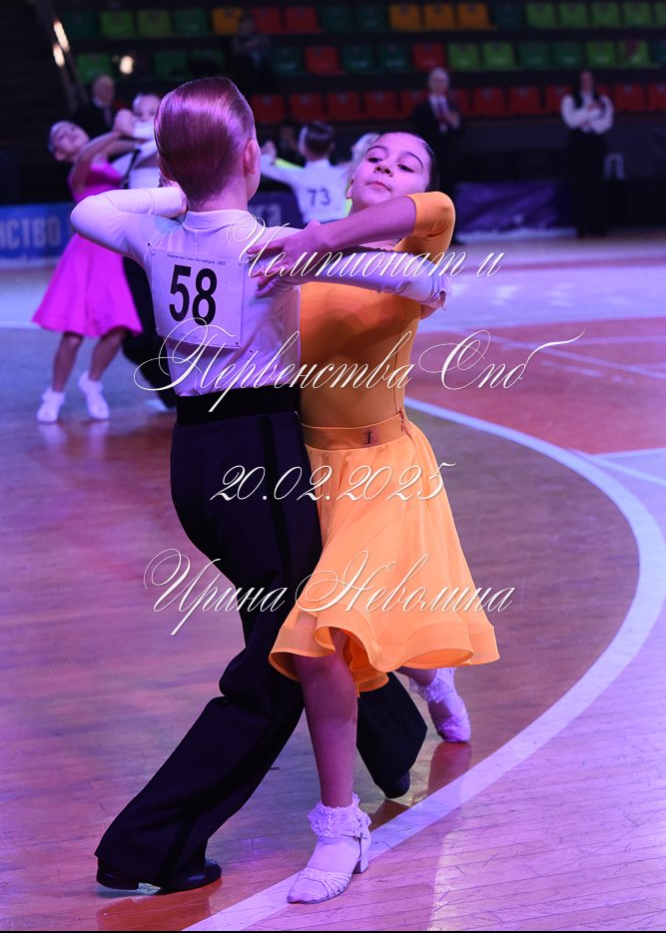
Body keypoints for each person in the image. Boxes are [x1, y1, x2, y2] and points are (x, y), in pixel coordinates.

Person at [70, 77, 454, 895]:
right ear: (251, 155)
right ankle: (150, 842)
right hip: (263, 461)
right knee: (284, 658)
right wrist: (361, 262)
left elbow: (89, 210)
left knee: (290, 623)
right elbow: (417, 281)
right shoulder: (272, 243)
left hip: (193, 463)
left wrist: (180, 183)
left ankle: (392, 742)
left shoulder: (151, 232)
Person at [251, 132, 500, 904]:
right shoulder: (293, 259)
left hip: (386, 472)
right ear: (351, 175)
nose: (388, 166)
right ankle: (432, 675)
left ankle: (340, 824)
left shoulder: (413, 248)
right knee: (364, 635)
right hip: (308, 476)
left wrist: (318, 241)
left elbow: (437, 209)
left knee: (323, 638)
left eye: (407, 161)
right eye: (376, 157)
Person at [33, 121, 141, 423]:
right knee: (72, 336)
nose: (70, 133)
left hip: (113, 254)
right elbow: (86, 156)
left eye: (72, 129)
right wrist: (119, 131)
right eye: (61, 136)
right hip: (84, 255)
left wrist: (141, 134)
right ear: (59, 154)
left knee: (118, 330)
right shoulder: (78, 172)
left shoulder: (106, 156)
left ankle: (92, 382)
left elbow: (134, 146)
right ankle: (55, 393)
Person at [112, 93, 178, 411]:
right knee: (139, 338)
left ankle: (181, 394)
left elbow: (161, 138)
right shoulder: (129, 158)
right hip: (134, 253)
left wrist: (131, 130)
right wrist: (116, 135)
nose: (144, 118)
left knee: (175, 327)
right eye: (139, 113)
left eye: (153, 112)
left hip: (170, 249)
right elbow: (94, 160)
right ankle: (170, 392)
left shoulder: (172, 147)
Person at [261, 121, 350, 225]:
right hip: (339, 227)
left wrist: (267, 154)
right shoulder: (343, 173)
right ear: (331, 146)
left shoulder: (298, 175)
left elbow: (261, 166)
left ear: (302, 147)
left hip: (312, 229)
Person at [560, 69, 614, 237]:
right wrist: (588, 111)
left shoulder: (603, 100)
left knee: (598, 185)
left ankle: (599, 227)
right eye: (583, 80)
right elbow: (571, 121)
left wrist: (588, 122)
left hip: (596, 144)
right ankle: (582, 227)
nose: (586, 83)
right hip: (579, 146)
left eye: (589, 79)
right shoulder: (569, 100)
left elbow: (606, 122)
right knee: (580, 186)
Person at [411, 68, 462, 208]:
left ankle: (451, 222)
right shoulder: (421, 108)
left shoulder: (453, 106)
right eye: (436, 81)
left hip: (449, 158)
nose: (439, 84)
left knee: (449, 194)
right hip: (429, 158)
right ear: (429, 83)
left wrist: (455, 125)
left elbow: (461, 132)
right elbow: (417, 134)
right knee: (431, 192)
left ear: (447, 84)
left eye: (442, 81)